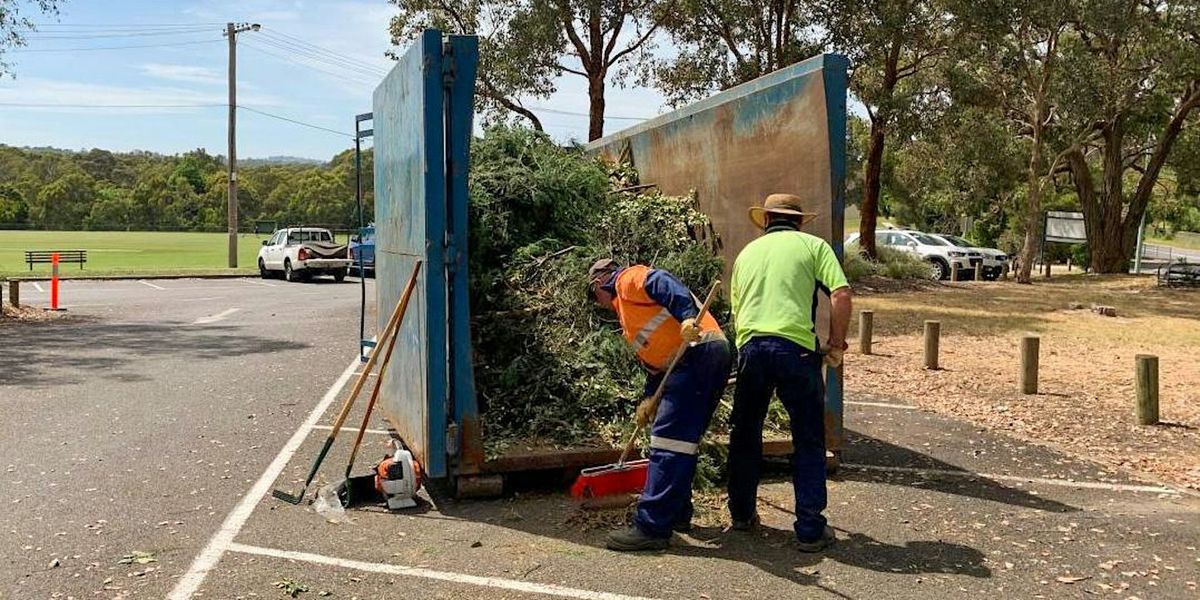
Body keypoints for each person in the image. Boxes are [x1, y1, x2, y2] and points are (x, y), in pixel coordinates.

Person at [727, 193, 852, 552]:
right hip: (797, 350)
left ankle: (742, 514)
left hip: (752, 348)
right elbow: (841, 294)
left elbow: (740, 311)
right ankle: (810, 529)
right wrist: (836, 343)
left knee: (745, 433)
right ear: (798, 222)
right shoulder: (813, 246)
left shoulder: (746, 255)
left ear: (766, 220)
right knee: (808, 438)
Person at [587, 258, 732, 551]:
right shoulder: (630, 316)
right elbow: (657, 367)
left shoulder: (627, 280)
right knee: (682, 442)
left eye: (594, 297)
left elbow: (664, 283)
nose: (598, 303)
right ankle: (677, 512)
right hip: (703, 358)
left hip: (696, 353)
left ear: (598, 283)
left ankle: (652, 527)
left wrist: (688, 318)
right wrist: (649, 400)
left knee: (667, 444)